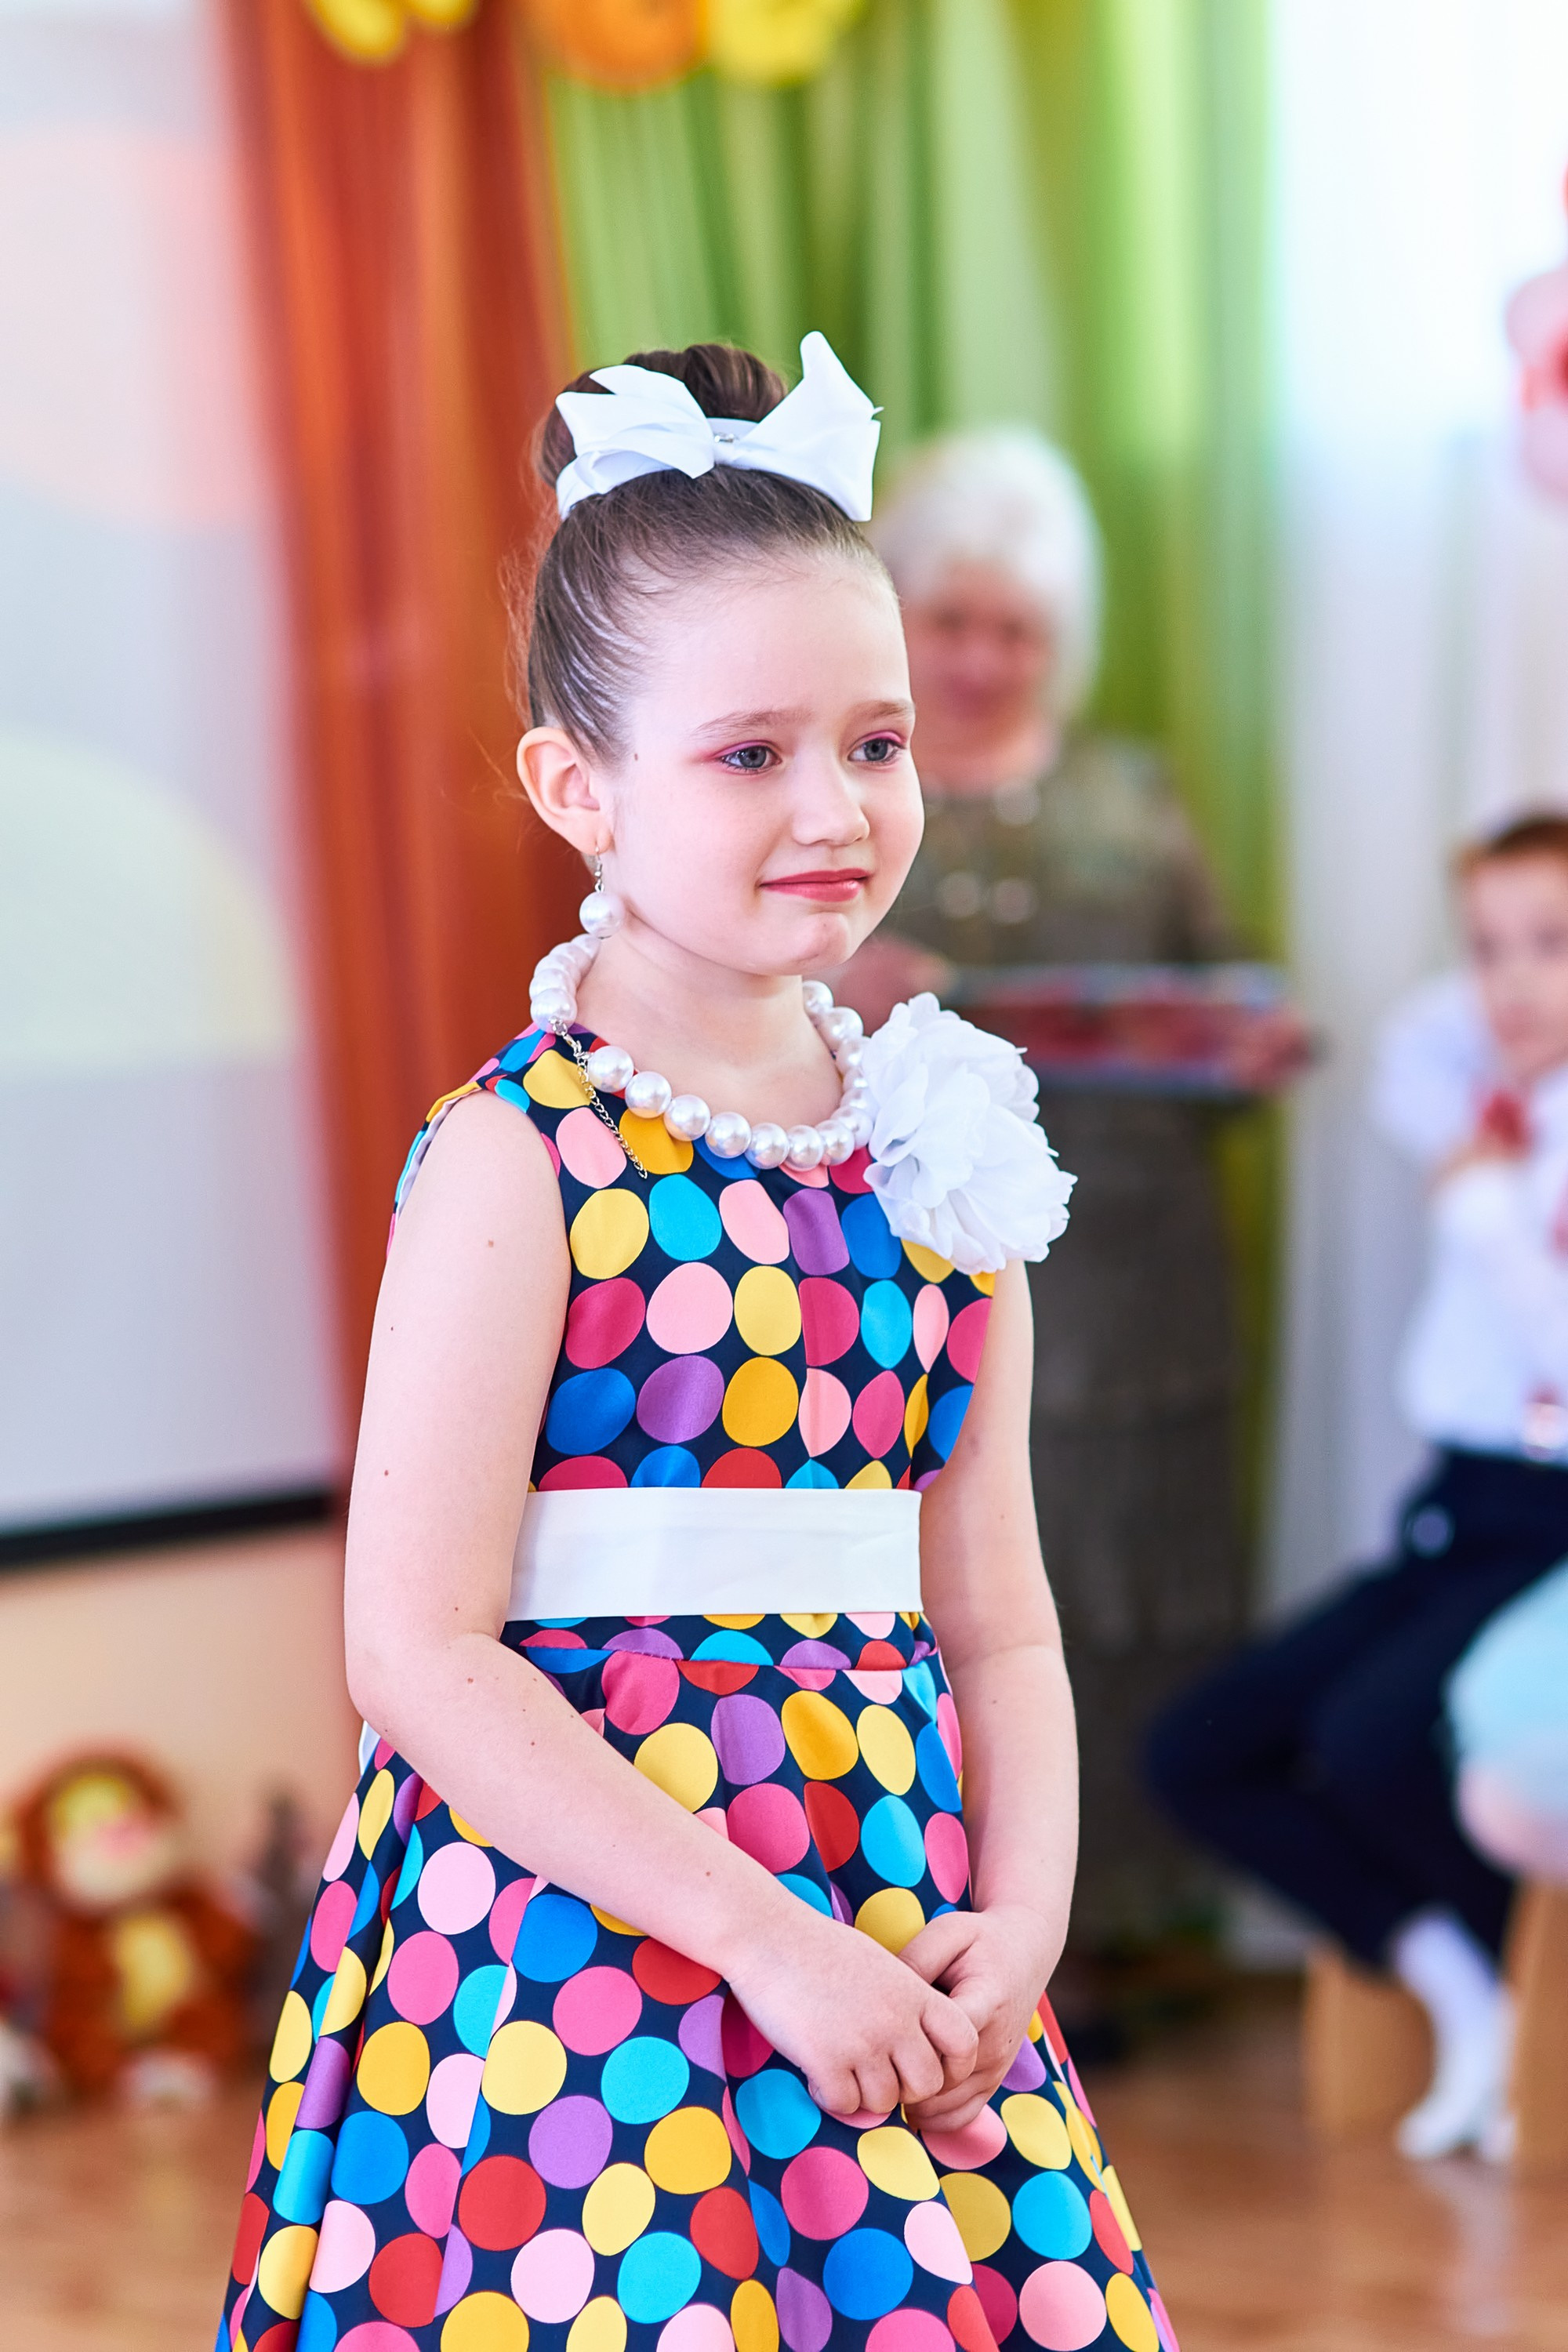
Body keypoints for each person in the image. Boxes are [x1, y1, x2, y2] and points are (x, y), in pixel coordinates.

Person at [222, 337, 1174, 2352]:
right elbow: (414, 1648)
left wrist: (1029, 1909)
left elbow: (993, 1613)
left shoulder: (941, 1136)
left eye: (877, 741)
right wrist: (760, 1945)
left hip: (895, 1904)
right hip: (588, 1945)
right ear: (579, 787)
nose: (835, 806)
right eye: (748, 754)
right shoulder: (517, 1157)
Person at [832, 427, 1291, 1945]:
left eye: (1013, 629)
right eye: (950, 621)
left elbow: (1215, 986)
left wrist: (1245, 1039)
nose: (979, 658)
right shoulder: (852, 795)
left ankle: (1127, 1927)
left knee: (1130, 1575)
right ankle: (959, 1911)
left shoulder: (1129, 794)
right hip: (923, 1261)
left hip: (1143, 1267)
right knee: (962, 1584)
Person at [1147, 811, 1568, 2161]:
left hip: (1549, 1522)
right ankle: (1461, 1990)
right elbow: (1408, 1051)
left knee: (1387, 1740)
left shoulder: (1513, 1155)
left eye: (1550, 947)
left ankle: (1517, 2008)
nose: (1507, 983)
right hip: (1457, 1510)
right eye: (1488, 948)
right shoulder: (1482, 1088)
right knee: (1198, 1748)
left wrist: (1487, 1210)